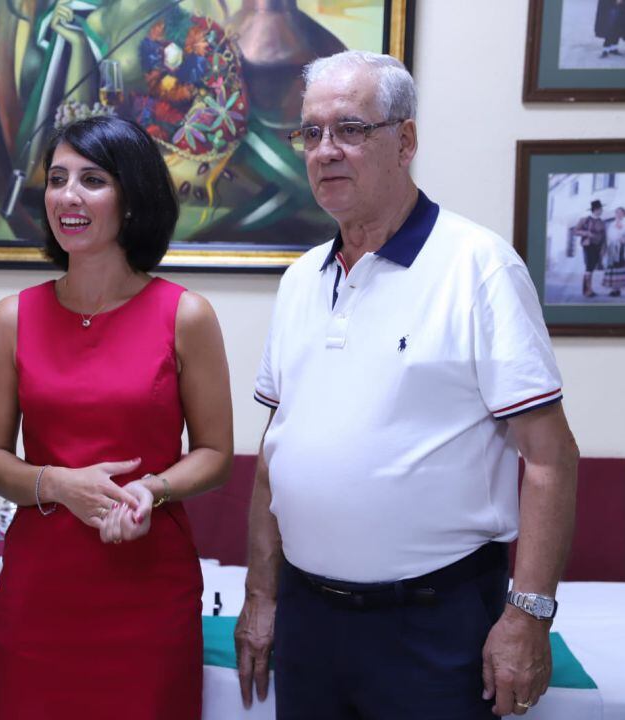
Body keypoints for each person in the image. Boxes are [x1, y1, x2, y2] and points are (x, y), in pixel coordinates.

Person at [234, 51, 579, 719]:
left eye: (351, 129)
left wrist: (529, 617)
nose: (326, 151)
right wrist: (262, 595)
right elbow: (277, 459)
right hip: (310, 623)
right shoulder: (302, 280)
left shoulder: (477, 267)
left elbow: (549, 459)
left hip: (432, 625)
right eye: (311, 133)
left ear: (406, 141)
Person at [0, 115, 233, 719]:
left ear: (133, 196)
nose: (68, 195)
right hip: (41, 593)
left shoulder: (186, 315)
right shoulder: (11, 318)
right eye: (57, 178)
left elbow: (217, 454)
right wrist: (58, 484)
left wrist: (151, 488)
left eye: (92, 179)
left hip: (148, 590)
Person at [573, 199, 607, 297]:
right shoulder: (585, 220)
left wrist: (604, 249)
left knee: (592, 268)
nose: (601, 211)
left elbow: (604, 237)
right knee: (588, 267)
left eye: (601, 209)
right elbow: (575, 231)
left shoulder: (602, 222)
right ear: (595, 210)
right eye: (600, 209)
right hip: (588, 245)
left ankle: (589, 289)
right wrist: (586, 233)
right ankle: (587, 290)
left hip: (598, 247)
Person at [602, 206, 625, 297]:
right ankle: (614, 289)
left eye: (620, 212)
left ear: (624, 214)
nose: (618, 214)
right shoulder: (612, 224)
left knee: (620, 266)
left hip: (622, 248)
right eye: (617, 212)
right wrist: (607, 248)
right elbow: (609, 237)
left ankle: (618, 289)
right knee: (613, 267)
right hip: (613, 248)